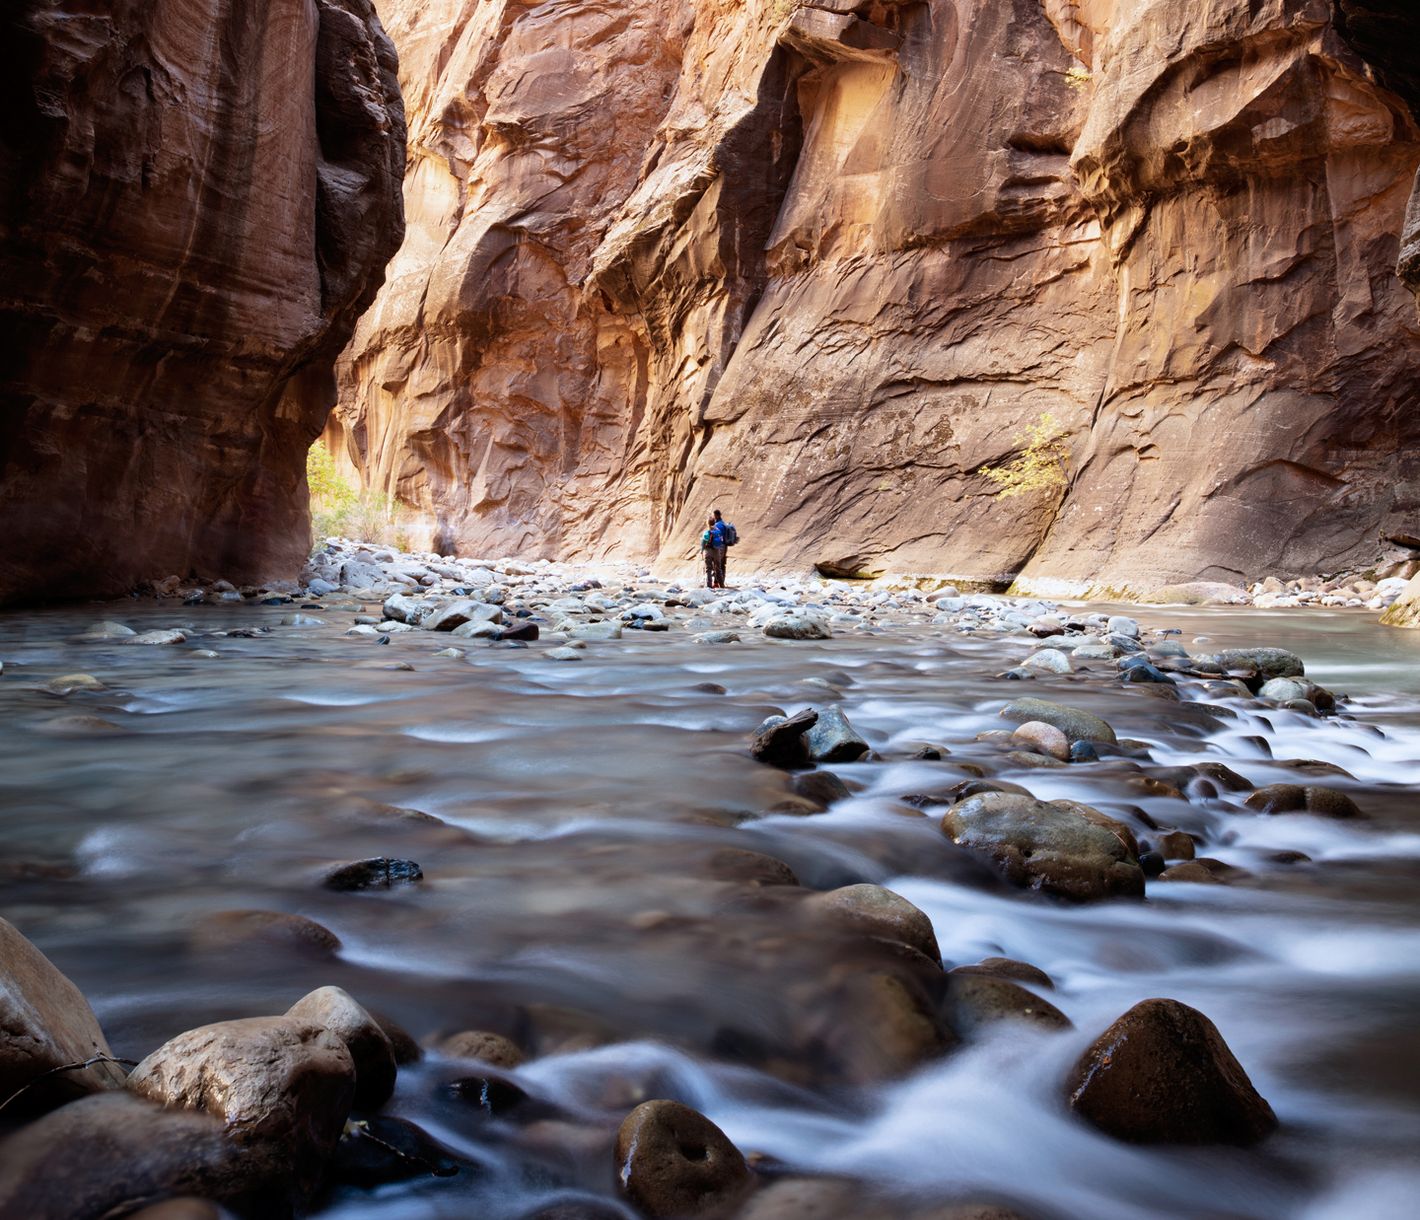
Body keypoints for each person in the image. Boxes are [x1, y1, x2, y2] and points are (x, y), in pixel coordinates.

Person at [700, 514, 725, 588]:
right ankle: (722, 585)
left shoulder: (706, 532)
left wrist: (702, 551)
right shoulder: (718, 531)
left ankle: (709, 587)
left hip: (708, 552)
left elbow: (703, 543)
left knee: (708, 569)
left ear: (707, 523)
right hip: (717, 551)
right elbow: (721, 541)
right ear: (714, 523)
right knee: (718, 569)